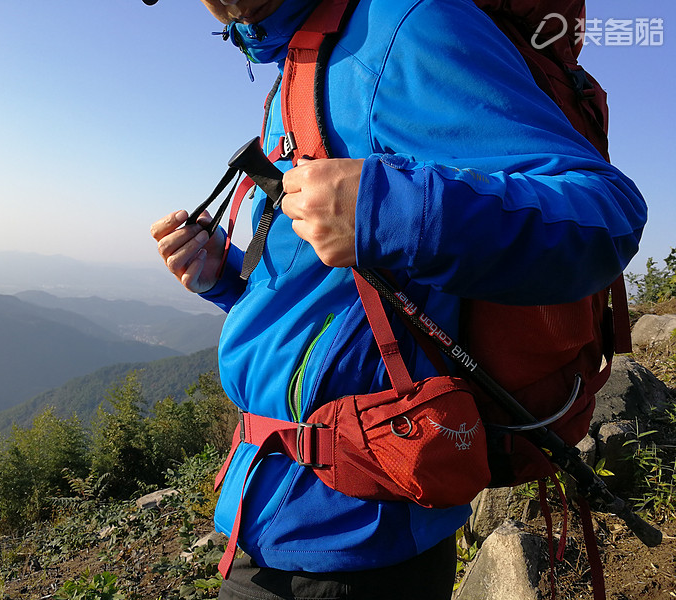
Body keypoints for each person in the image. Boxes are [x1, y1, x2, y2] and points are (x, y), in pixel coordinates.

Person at [150, 0, 647, 597]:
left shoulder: (405, 25)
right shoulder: (303, 61)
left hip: (358, 535)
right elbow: (339, 297)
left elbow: (604, 215)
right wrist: (228, 280)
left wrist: (384, 208)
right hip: (276, 514)